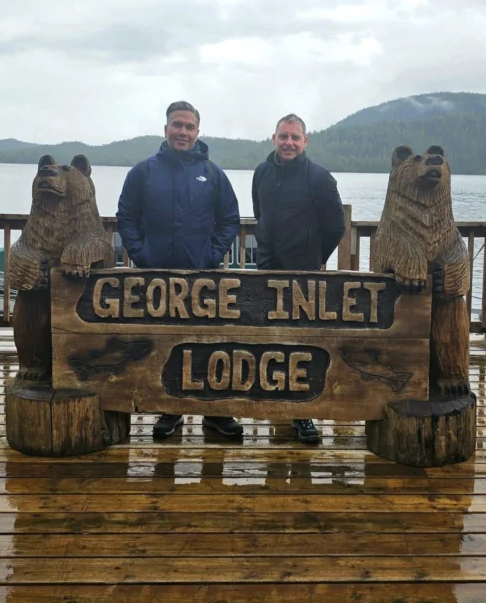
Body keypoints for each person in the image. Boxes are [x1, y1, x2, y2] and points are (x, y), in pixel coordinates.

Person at [117, 101, 243, 440]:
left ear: (198, 132)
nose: (182, 132)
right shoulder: (143, 172)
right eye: (177, 125)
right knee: (163, 343)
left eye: (189, 127)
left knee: (209, 342)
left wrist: (212, 255)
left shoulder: (213, 173)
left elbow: (230, 218)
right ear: (166, 129)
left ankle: (216, 411)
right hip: (156, 276)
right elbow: (126, 217)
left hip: (202, 277)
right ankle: (169, 408)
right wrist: (142, 255)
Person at [251, 113, 346, 444]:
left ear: (305, 141)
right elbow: (260, 215)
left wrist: (313, 257)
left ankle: (303, 413)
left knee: (302, 343)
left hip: (303, 277)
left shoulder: (320, 178)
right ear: (273, 138)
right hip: (266, 270)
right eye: (283, 136)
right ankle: (273, 399)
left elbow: (336, 226)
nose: (289, 142)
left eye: (295, 137)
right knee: (270, 338)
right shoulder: (261, 172)